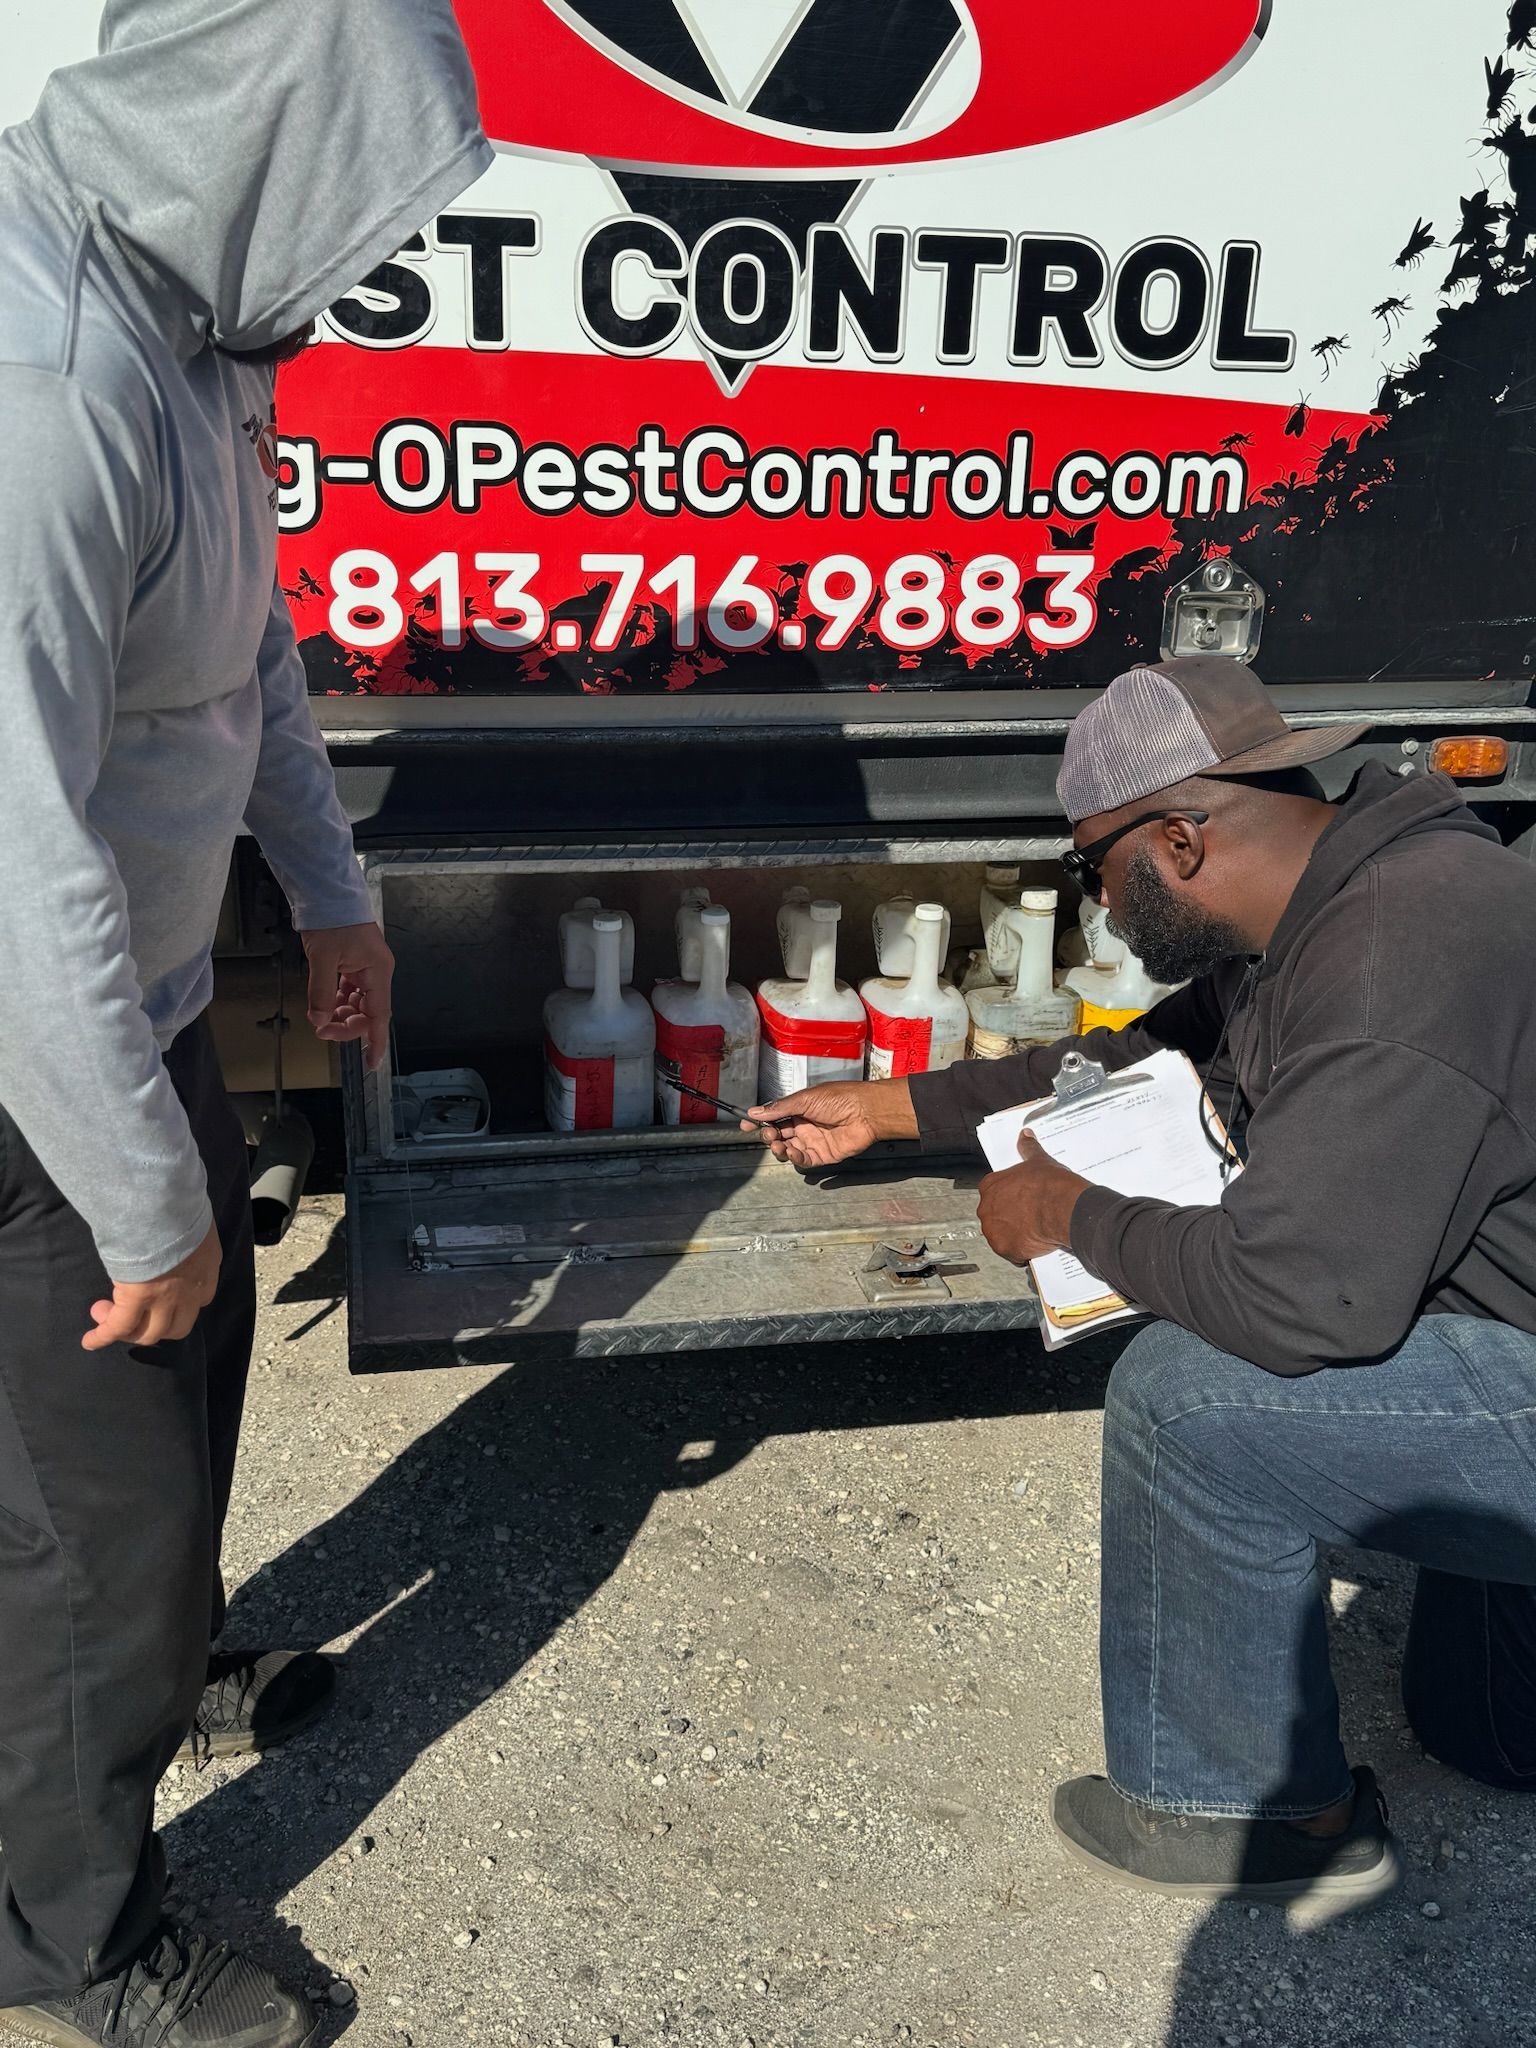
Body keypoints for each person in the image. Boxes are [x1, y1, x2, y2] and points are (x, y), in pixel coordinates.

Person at [0, 3, 490, 2041]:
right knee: (89, 1510)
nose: (366, 254)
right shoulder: (44, 383)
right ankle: (67, 1944)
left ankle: (136, 1673)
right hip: (32, 1058)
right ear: (261, 136)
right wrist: (136, 1190)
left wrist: (332, 888)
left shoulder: (189, 330)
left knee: (172, 1419)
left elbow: (244, 652)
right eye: (358, 190)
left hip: (138, 1003)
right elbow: (7, 845)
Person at [750, 655, 1536, 1915]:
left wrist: (1069, 1211)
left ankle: (1251, 1810)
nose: (1099, 907)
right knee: (1485, 1729)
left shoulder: (1388, 967)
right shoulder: (1338, 900)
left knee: (1190, 1399)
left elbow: (1300, 1300)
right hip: (1509, 1322)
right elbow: (1136, 1056)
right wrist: (893, 1106)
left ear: (1177, 840)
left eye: (1092, 869)